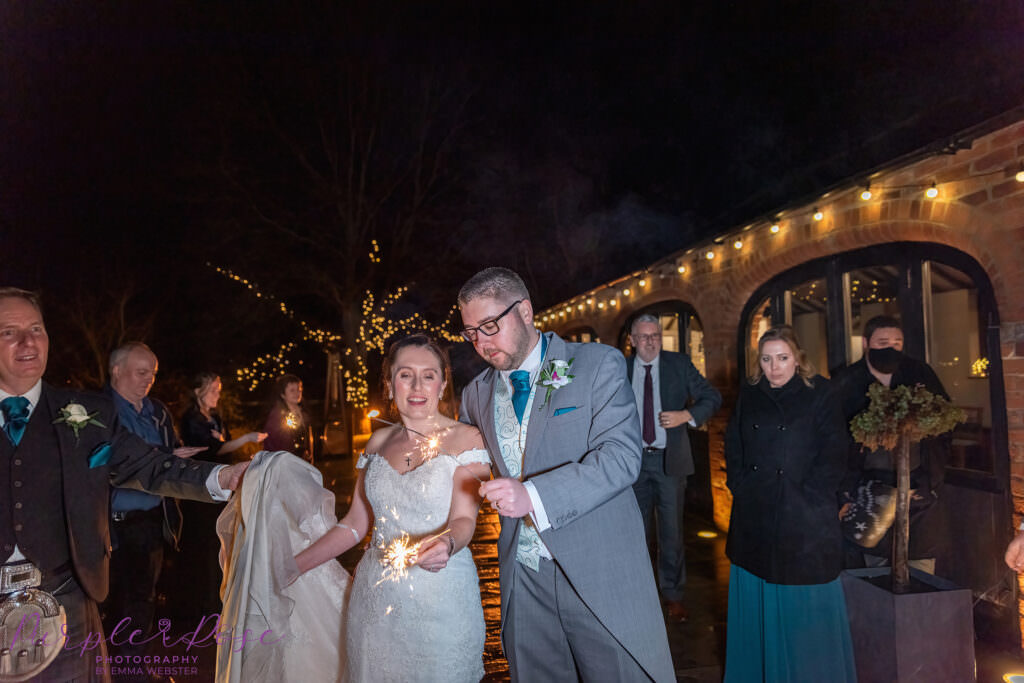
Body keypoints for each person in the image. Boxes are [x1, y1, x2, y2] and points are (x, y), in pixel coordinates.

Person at [0, 287, 247, 682]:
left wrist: (221, 476)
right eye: (8, 332)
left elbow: (149, 464)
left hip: (67, 598)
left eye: (36, 328)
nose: (28, 341)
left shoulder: (86, 413)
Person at [458, 267, 674, 682]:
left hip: (599, 568)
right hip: (524, 579)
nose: (481, 343)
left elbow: (621, 457)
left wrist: (532, 497)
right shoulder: (476, 394)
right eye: (471, 333)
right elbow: (462, 464)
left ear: (524, 311)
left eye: (489, 326)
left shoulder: (596, 364)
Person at [295, 333, 490, 682]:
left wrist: (445, 543)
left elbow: (464, 519)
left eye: (429, 374)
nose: (417, 385)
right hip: (374, 604)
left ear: (442, 384)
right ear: (389, 384)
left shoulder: (467, 440)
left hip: (441, 602)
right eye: (405, 374)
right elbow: (356, 523)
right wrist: (294, 566)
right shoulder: (377, 441)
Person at [723, 325, 856, 682]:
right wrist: (739, 484)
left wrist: (812, 498)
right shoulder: (750, 392)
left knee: (805, 609)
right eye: (766, 359)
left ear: (797, 358)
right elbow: (733, 441)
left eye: (782, 358)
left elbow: (835, 453)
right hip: (756, 515)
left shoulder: (821, 392)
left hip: (805, 520)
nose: (774, 367)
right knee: (759, 596)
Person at [101, 342, 206, 673]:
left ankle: (135, 668)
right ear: (116, 370)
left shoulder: (157, 411)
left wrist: (178, 457)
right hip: (110, 525)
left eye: (153, 373)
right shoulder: (98, 410)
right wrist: (163, 454)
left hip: (149, 522)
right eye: (141, 372)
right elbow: (107, 460)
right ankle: (109, 669)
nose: (148, 379)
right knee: (112, 604)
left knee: (144, 601)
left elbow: (169, 454)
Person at [832, 315, 950, 573]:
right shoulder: (846, 382)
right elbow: (834, 441)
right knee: (873, 571)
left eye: (897, 343)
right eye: (883, 342)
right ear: (866, 343)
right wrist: (845, 492)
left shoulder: (919, 373)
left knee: (920, 568)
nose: (891, 348)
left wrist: (932, 482)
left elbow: (943, 429)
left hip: (917, 491)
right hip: (867, 492)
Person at [627, 313, 721, 621]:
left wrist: (686, 415)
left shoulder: (678, 364)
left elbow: (712, 396)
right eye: (644, 336)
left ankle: (674, 595)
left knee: (671, 534)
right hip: (633, 464)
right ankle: (638, 595)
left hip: (670, 461)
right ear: (632, 341)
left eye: (655, 335)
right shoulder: (620, 369)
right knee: (635, 533)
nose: (650, 341)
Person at [178, 372, 266, 616]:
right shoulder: (192, 420)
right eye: (213, 389)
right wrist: (246, 438)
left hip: (221, 487)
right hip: (201, 488)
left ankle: (221, 593)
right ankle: (203, 603)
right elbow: (213, 449)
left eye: (219, 389)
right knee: (204, 542)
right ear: (199, 392)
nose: (218, 394)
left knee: (222, 540)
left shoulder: (215, 417)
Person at [263, 373, 314, 464]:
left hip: (302, 461)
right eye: (292, 390)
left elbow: (308, 436)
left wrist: (310, 453)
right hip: (284, 462)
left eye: (299, 389)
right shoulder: (277, 415)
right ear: (283, 394)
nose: (297, 393)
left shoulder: (303, 412)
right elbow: (271, 442)